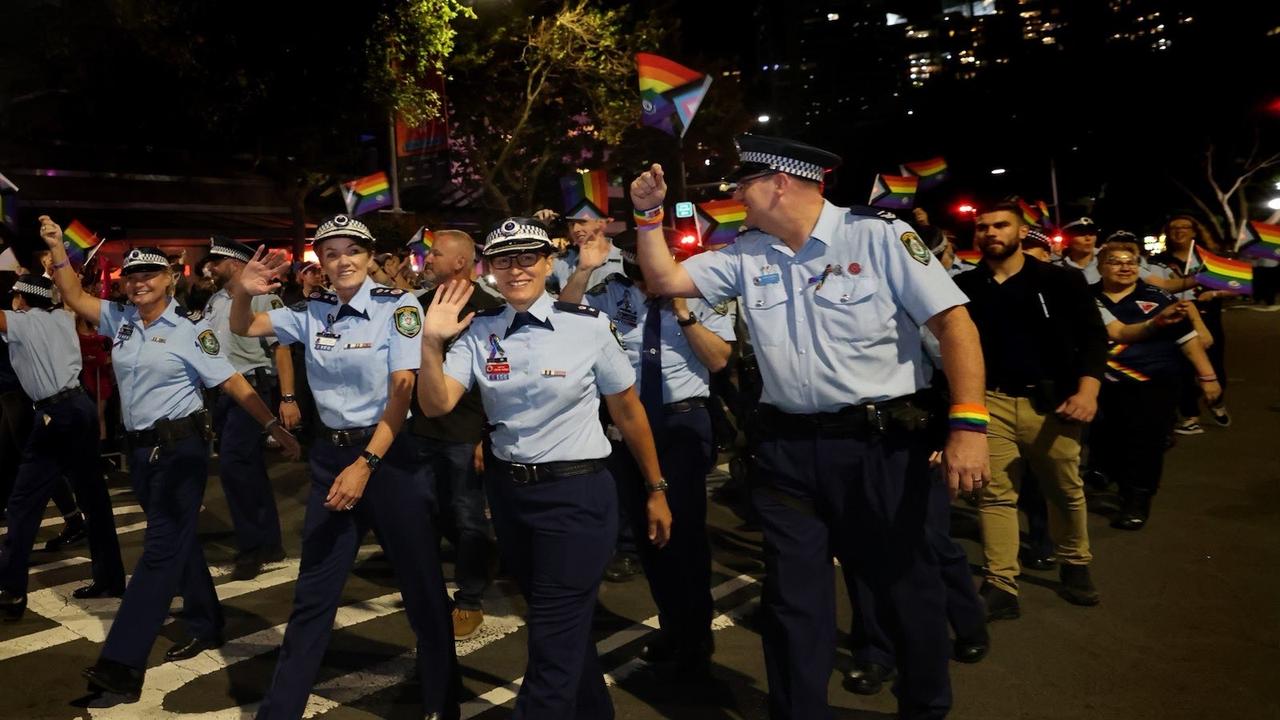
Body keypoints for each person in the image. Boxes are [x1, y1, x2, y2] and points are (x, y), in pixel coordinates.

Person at [630, 134, 990, 720]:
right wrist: (648, 216)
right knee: (794, 600)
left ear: (779, 182)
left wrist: (968, 426)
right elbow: (666, 282)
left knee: (904, 588)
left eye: (743, 187)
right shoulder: (749, 253)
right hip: (788, 450)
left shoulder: (877, 236)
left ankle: (924, 706)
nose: (736, 199)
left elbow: (955, 325)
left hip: (880, 446)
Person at [418, 217, 673, 719]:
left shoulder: (587, 326)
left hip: (576, 497)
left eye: (527, 257)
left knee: (552, 639)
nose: (515, 269)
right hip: (511, 499)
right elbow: (435, 405)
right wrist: (430, 343)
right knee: (562, 627)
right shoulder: (478, 332)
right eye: (503, 260)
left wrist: (656, 487)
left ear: (549, 263)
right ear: (488, 269)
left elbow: (627, 411)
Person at [37, 216, 300, 701]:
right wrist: (58, 248)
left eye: (148, 276)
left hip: (182, 451)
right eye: (131, 277)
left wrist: (271, 424)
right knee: (177, 541)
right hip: (140, 451)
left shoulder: (191, 331)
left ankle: (121, 664)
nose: (137, 283)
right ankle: (206, 619)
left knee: (159, 550)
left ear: (170, 281)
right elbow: (73, 296)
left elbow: (232, 381)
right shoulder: (120, 320)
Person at [230, 214, 460, 720]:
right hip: (330, 458)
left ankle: (443, 699)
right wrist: (241, 290)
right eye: (330, 253)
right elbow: (244, 325)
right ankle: (280, 711)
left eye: (351, 250)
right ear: (322, 263)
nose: (342, 261)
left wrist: (366, 464)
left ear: (370, 254)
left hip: (388, 457)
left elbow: (402, 392)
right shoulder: (312, 311)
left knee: (420, 584)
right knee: (314, 590)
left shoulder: (397, 308)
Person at [561, 235, 735, 678]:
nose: (648, 275)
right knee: (647, 534)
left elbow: (718, 361)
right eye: (640, 267)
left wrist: (684, 312)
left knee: (685, 532)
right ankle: (674, 625)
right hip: (629, 424)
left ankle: (696, 632)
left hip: (681, 422)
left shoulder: (704, 290)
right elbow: (562, 321)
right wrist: (582, 270)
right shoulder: (611, 292)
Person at [953, 201, 1107, 621]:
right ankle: (1001, 582)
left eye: (1000, 225)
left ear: (1021, 232)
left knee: (1064, 488)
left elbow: (1095, 340)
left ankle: (1075, 561)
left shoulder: (1061, 280)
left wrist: (1088, 392)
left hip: (1053, 404)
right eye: (982, 227)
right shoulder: (965, 287)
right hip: (990, 402)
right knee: (995, 494)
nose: (990, 233)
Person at [0, 274, 125, 619]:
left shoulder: (22, 322)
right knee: (94, 498)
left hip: (55, 414)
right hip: (80, 407)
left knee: (24, 501)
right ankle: (110, 577)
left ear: (21, 300)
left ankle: (10, 590)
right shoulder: (62, 317)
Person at [408, 229, 502, 640]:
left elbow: (498, 380)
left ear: (461, 263)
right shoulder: (417, 308)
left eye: (436, 253)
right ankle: (437, 590)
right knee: (427, 515)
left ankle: (469, 598)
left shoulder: (491, 310)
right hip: (422, 429)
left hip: (466, 433)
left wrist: (485, 436)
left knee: (468, 518)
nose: (427, 259)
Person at [1090, 239, 1220, 528]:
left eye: (1131, 262)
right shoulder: (1085, 298)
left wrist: (1208, 377)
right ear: (1099, 266)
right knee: (1111, 440)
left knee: (1145, 443)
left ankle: (1138, 500)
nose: (1125, 267)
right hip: (1103, 386)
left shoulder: (1158, 297)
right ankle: (1121, 484)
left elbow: (1187, 340)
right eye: (1115, 261)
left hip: (1154, 383)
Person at [204, 235, 297, 580]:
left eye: (217, 260)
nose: (211, 266)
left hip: (252, 389)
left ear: (234, 264)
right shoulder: (215, 300)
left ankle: (252, 546)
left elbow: (281, 349)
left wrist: (288, 398)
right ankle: (267, 541)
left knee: (234, 466)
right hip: (224, 393)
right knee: (248, 468)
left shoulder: (264, 298)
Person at [1147, 214, 1232, 433]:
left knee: (1214, 366)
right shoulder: (1158, 260)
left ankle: (1216, 402)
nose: (1179, 231)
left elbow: (1233, 286)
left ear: (1194, 231)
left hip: (1208, 316)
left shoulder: (1208, 259)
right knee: (1182, 368)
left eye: (1184, 227)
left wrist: (1213, 294)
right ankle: (1190, 415)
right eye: (1173, 228)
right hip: (1177, 317)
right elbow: (1160, 288)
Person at [539, 180, 625, 294]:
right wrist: (537, 227)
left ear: (602, 222)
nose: (575, 229)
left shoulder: (625, 257)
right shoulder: (562, 262)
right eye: (571, 224)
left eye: (582, 222)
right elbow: (527, 277)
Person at [1055, 217, 1102, 283]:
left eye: (1092, 233)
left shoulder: (1106, 262)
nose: (1088, 238)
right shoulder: (1057, 269)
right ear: (1067, 239)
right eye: (1081, 234)